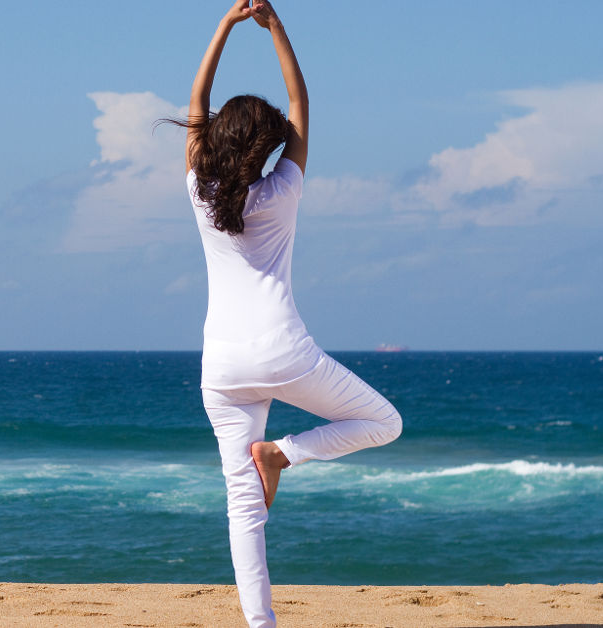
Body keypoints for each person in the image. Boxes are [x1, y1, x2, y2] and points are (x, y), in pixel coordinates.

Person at [163, 1, 403, 626]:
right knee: (383, 421)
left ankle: (260, 624)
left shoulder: (198, 191)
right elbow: (301, 106)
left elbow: (196, 105)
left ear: (215, 137)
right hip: (284, 353)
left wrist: (223, 26)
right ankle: (285, 454)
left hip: (223, 366)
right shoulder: (283, 190)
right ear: (266, 147)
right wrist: (274, 27)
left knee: (242, 507)